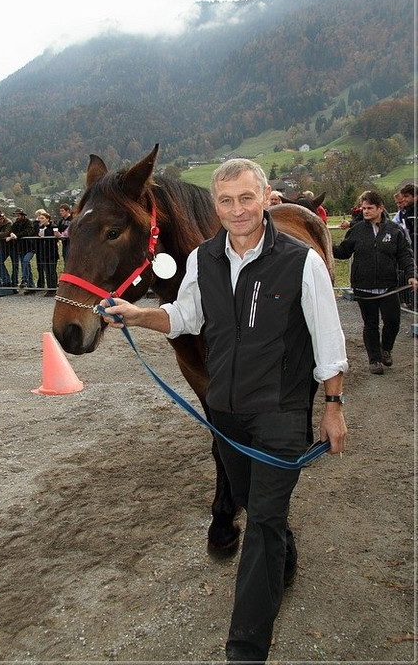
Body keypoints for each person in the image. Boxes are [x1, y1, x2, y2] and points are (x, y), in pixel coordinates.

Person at [99, 158, 348, 663]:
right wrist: (138, 315)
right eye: (227, 200)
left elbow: (329, 339)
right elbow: (185, 316)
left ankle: (245, 649)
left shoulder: (302, 261)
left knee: (262, 524)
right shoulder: (202, 259)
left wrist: (333, 405)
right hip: (226, 414)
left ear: (266, 197)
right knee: (252, 502)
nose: (237, 210)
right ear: (215, 205)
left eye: (247, 198)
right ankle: (284, 550)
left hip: (280, 410)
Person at [333, 190, 417, 375]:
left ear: (380, 208)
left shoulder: (394, 230)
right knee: (370, 324)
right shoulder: (356, 230)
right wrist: (324, 246)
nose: (365, 211)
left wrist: (411, 275)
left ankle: (385, 348)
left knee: (393, 321)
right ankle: (374, 360)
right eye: (363, 208)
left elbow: (404, 255)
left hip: (389, 286)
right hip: (363, 287)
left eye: (369, 208)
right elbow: (343, 252)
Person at [7, 208, 37, 293]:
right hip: (21, 247)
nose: (17, 216)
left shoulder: (28, 222)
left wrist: (17, 235)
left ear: (23, 215)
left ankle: (25, 280)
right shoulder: (16, 223)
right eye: (16, 214)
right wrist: (12, 234)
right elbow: (12, 230)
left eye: (19, 214)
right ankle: (30, 286)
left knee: (25, 261)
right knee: (26, 265)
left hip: (29, 247)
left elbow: (28, 232)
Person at [35, 210, 59, 296]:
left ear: (47, 219)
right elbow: (39, 236)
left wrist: (45, 230)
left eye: (42, 218)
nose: (40, 220)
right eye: (40, 218)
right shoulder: (40, 227)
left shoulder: (53, 226)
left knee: (52, 271)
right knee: (47, 271)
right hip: (44, 252)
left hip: (52, 252)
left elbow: (55, 236)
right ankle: (49, 288)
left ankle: (53, 288)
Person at [399, 183, 417, 253]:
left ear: (415, 196)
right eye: (403, 197)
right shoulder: (406, 211)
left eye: (406, 196)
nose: (403, 199)